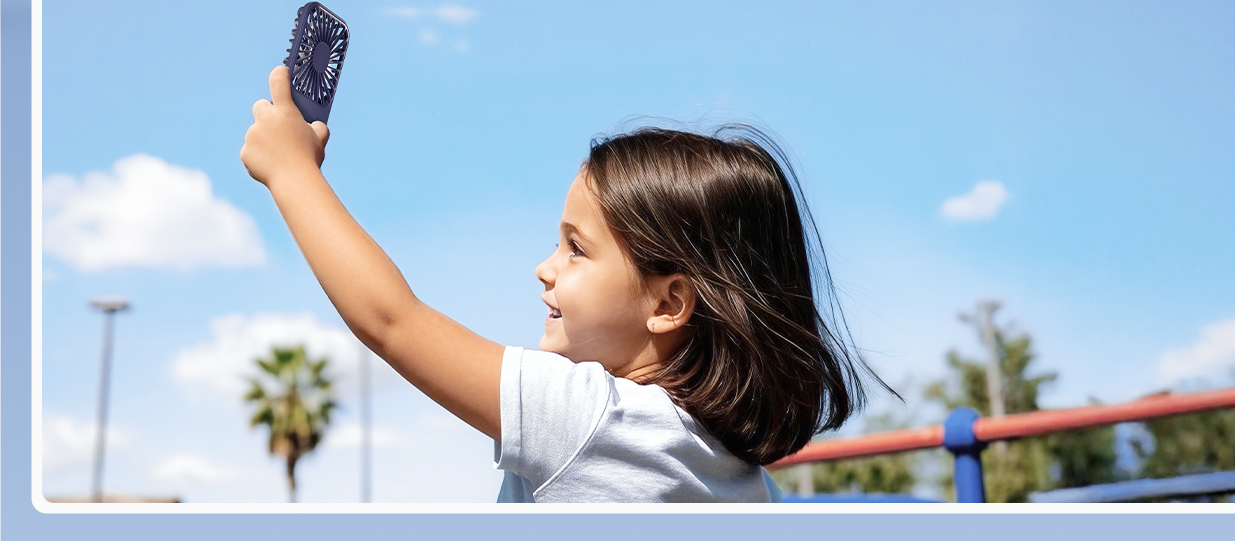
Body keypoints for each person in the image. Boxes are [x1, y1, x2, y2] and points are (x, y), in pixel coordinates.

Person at [241, 65, 891, 502]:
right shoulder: (747, 482)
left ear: (669, 303)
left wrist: (292, 171)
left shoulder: (593, 418)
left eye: (576, 249)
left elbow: (392, 321)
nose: (545, 267)